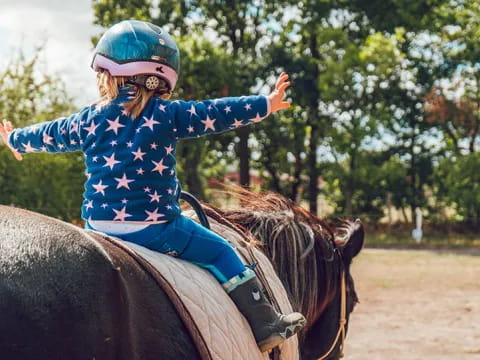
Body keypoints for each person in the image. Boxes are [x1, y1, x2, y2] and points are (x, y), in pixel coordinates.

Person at [0, 20, 306, 352]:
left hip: (98, 227)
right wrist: (266, 104)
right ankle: (264, 323)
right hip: (156, 229)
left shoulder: (88, 119)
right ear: (163, 79)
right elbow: (217, 112)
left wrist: (16, 140)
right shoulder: (167, 115)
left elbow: (52, 134)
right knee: (221, 251)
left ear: (106, 74)